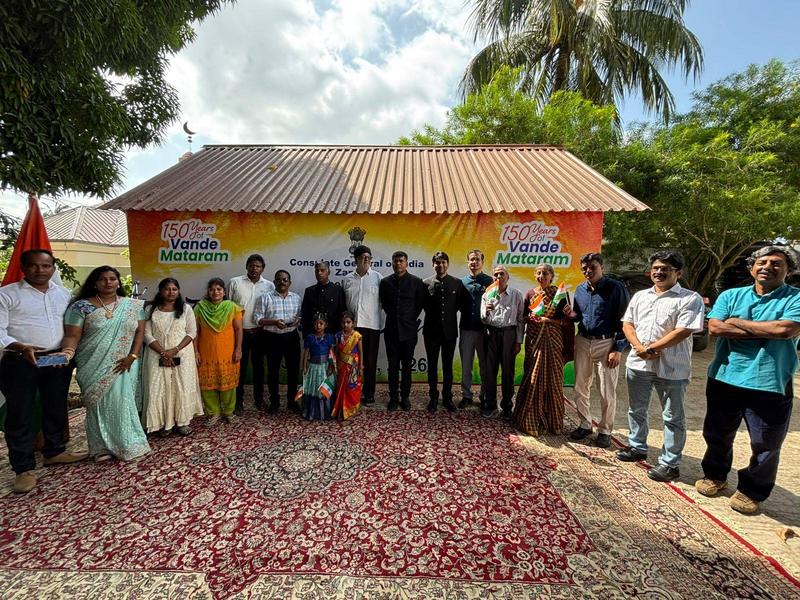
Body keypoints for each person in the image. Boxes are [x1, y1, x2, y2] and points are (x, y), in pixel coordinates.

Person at [695, 245, 800, 514]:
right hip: (725, 376)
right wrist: (765, 330)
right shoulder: (731, 295)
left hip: (770, 381)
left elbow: (785, 330)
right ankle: (715, 475)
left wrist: (737, 322)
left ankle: (752, 490)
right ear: (752, 268)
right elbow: (716, 327)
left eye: (776, 263)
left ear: (788, 270)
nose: (767, 267)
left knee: (766, 443)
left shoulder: (795, 298)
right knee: (717, 433)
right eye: (762, 262)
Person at [0, 249, 87, 493]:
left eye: (46, 266)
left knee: (55, 406)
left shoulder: (63, 294)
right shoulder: (7, 294)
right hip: (20, 360)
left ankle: (54, 451)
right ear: (23, 267)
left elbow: (72, 326)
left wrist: (68, 352)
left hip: (56, 359)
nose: (40, 270)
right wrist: (20, 346)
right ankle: (23, 468)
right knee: (20, 413)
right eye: (34, 265)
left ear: (53, 268)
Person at [616, 251, 705, 482]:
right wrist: (639, 348)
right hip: (638, 364)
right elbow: (627, 324)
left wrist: (652, 348)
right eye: (656, 268)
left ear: (678, 273)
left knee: (673, 417)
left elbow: (683, 330)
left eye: (665, 268)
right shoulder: (640, 296)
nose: (659, 272)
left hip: (672, 367)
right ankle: (637, 447)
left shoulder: (689, 298)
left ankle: (670, 463)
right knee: (636, 409)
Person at [61, 266, 151, 462]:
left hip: (125, 362)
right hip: (92, 363)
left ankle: (128, 443)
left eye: (112, 278)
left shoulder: (132, 306)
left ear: (118, 282)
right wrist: (67, 352)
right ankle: (100, 447)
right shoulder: (80, 307)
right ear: (95, 283)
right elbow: (72, 335)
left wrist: (133, 356)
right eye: (102, 279)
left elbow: (139, 332)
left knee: (121, 402)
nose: (108, 282)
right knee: (97, 404)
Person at [565, 253, 630, 448]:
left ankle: (605, 430)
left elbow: (625, 319)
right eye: (584, 268)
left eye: (592, 267)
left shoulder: (616, 288)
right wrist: (572, 314)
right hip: (583, 340)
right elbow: (579, 317)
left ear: (602, 267)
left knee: (606, 390)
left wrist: (618, 348)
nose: (588, 271)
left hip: (607, 343)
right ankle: (585, 424)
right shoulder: (580, 289)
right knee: (580, 386)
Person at [140, 278, 203, 436]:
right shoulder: (151, 309)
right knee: (158, 387)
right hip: (156, 354)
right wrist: (163, 352)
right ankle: (163, 424)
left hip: (182, 354)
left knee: (181, 386)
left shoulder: (186, 309)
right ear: (161, 291)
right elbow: (146, 334)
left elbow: (192, 332)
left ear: (178, 291)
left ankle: (182, 422)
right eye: (167, 289)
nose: (171, 292)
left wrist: (174, 350)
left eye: (174, 289)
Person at [513, 264, 570, 435]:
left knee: (553, 377)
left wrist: (548, 321)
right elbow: (523, 317)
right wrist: (531, 317)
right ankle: (529, 418)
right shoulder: (530, 294)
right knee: (533, 375)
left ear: (551, 276)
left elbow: (566, 321)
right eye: (538, 273)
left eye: (545, 273)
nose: (541, 276)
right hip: (534, 340)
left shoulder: (560, 294)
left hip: (553, 340)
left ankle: (553, 422)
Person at [227, 254, 274, 414]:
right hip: (240, 333)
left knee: (259, 367)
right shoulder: (235, 282)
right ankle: (238, 401)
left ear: (263, 268)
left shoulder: (269, 286)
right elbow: (228, 307)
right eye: (252, 265)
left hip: (260, 333)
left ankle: (259, 399)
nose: (254, 268)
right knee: (239, 367)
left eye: (258, 266)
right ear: (246, 266)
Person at [379, 251, 426, 411]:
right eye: (395, 261)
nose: (398, 264)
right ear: (392, 263)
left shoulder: (416, 282)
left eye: (401, 261)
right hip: (391, 330)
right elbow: (385, 304)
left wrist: (408, 318)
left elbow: (418, 305)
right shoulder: (385, 282)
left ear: (407, 263)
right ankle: (393, 397)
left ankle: (405, 397)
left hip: (409, 331)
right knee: (392, 366)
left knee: (406, 366)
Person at [193, 278, 243, 425]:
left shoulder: (232, 308)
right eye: (212, 289)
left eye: (219, 289)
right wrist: (195, 352)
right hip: (206, 353)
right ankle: (213, 413)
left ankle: (229, 412)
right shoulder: (200, 308)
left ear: (224, 292)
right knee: (207, 385)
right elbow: (195, 332)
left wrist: (238, 349)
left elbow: (239, 330)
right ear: (208, 292)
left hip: (228, 353)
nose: (215, 292)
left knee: (228, 385)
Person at [422, 251, 466, 412]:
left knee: (448, 366)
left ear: (447, 264)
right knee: (432, 365)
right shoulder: (425, 283)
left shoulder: (457, 283)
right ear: (433, 264)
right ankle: (433, 397)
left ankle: (447, 397)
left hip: (449, 332)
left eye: (443, 262)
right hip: (431, 332)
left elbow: (461, 306)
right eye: (437, 262)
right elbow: (422, 304)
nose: (440, 265)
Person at [254, 269, 302, 413]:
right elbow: (257, 319)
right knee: (273, 371)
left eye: (285, 280)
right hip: (272, 338)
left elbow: (300, 316)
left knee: (293, 371)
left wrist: (298, 320)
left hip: (291, 337)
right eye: (279, 279)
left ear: (290, 282)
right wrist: (274, 322)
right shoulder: (265, 298)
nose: (282, 282)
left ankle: (292, 401)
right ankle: (274, 402)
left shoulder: (296, 298)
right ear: (274, 282)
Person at [480, 265, 524, 418]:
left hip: (509, 335)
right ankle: (490, 405)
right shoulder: (487, 294)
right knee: (490, 372)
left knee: (508, 372)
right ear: (493, 278)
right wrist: (487, 311)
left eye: (502, 274)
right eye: (496, 274)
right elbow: (483, 318)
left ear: (508, 277)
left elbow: (520, 320)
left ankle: (507, 407)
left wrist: (518, 341)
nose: (499, 277)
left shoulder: (516, 295)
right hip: (491, 334)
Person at [342, 245, 382, 405]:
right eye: (362, 257)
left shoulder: (378, 278)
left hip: (372, 326)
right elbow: (344, 304)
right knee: (351, 362)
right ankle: (352, 392)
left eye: (368, 257)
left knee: (370, 362)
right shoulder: (347, 279)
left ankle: (369, 393)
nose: (366, 260)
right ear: (356, 259)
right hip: (352, 328)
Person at [458, 249, 493, 409]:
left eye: (477, 259)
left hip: (483, 330)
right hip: (466, 328)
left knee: (484, 365)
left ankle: (484, 396)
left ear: (482, 262)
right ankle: (466, 395)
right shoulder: (462, 282)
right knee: (466, 365)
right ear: (468, 262)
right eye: (471, 259)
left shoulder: (490, 281)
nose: (474, 262)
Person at [301, 313, 336, 421]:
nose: (318, 326)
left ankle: (326, 412)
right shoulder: (310, 338)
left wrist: (331, 366)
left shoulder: (329, 337)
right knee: (314, 388)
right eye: (316, 324)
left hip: (325, 367)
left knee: (324, 388)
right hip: (313, 368)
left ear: (326, 325)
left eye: (321, 323)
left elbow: (332, 353)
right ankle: (312, 413)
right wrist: (304, 366)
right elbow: (306, 353)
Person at [331, 311, 363, 420]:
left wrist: (360, 367)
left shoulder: (357, 336)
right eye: (343, 322)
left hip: (352, 367)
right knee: (341, 387)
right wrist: (334, 365)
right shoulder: (338, 336)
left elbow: (360, 352)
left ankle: (349, 409)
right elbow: (335, 352)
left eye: (348, 322)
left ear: (353, 323)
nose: (345, 325)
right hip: (341, 366)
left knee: (351, 388)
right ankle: (341, 409)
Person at [301, 260, 347, 335]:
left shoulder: (338, 290)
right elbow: (305, 315)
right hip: (313, 334)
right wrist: (306, 335)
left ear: (328, 272)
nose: (319, 273)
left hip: (333, 333)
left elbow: (342, 313)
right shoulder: (309, 291)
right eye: (317, 271)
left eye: (322, 270)